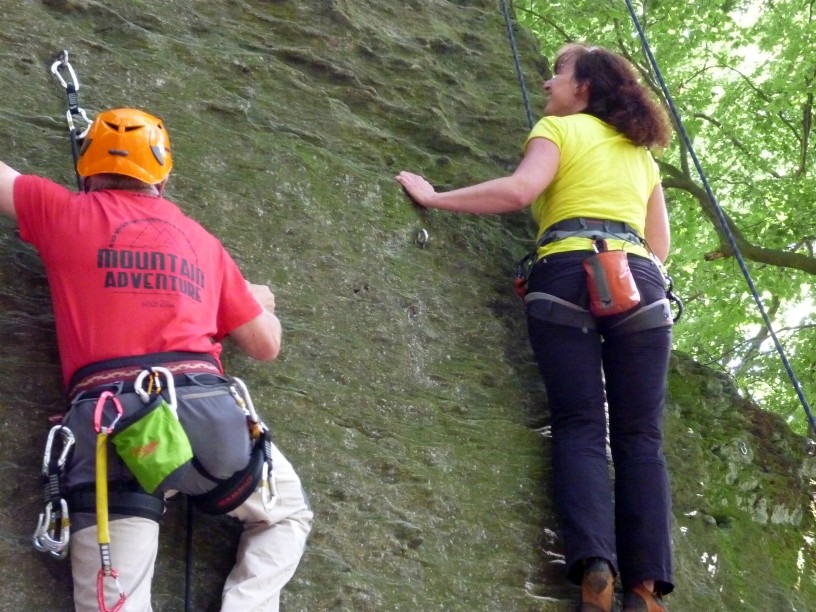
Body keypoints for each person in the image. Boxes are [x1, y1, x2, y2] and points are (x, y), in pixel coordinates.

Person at [395, 43, 674, 612]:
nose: (548, 86)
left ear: (584, 89)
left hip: (567, 274)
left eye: (558, 75)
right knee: (641, 436)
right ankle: (645, 588)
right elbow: (660, 246)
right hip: (640, 283)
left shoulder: (559, 131)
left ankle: (596, 563)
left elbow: (521, 191)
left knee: (579, 424)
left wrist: (434, 196)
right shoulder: (643, 159)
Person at [0, 107, 313, 611]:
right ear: (163, 176)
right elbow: (265, 345)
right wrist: (255, 298)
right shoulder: (205, 245)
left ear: (86, 168)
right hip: (207, 418)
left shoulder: (62, 212)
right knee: (285, 514)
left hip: (117, 427)